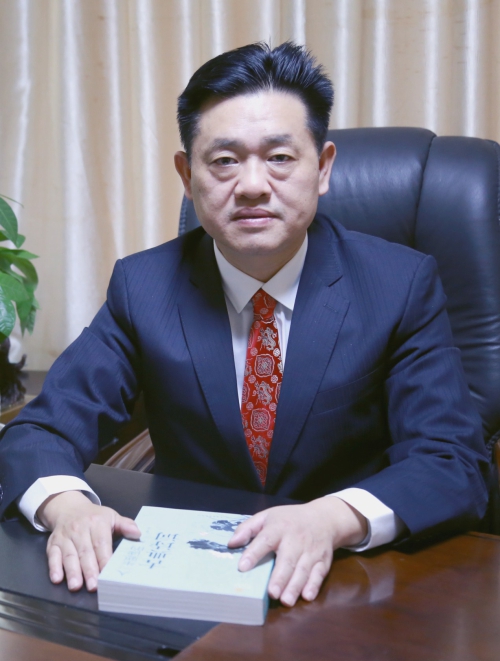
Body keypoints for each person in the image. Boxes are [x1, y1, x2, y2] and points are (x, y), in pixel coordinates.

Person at [0, 42, 489, 608]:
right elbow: (42, 431)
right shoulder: (144, 287)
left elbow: (452, 461)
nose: (253, 185)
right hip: (187, 584)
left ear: (323, 168)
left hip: (351, 588)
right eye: (225, 161)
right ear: (187, 176)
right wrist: (69, 508)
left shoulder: (398, 284)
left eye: (279, 157)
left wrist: (333, 518)